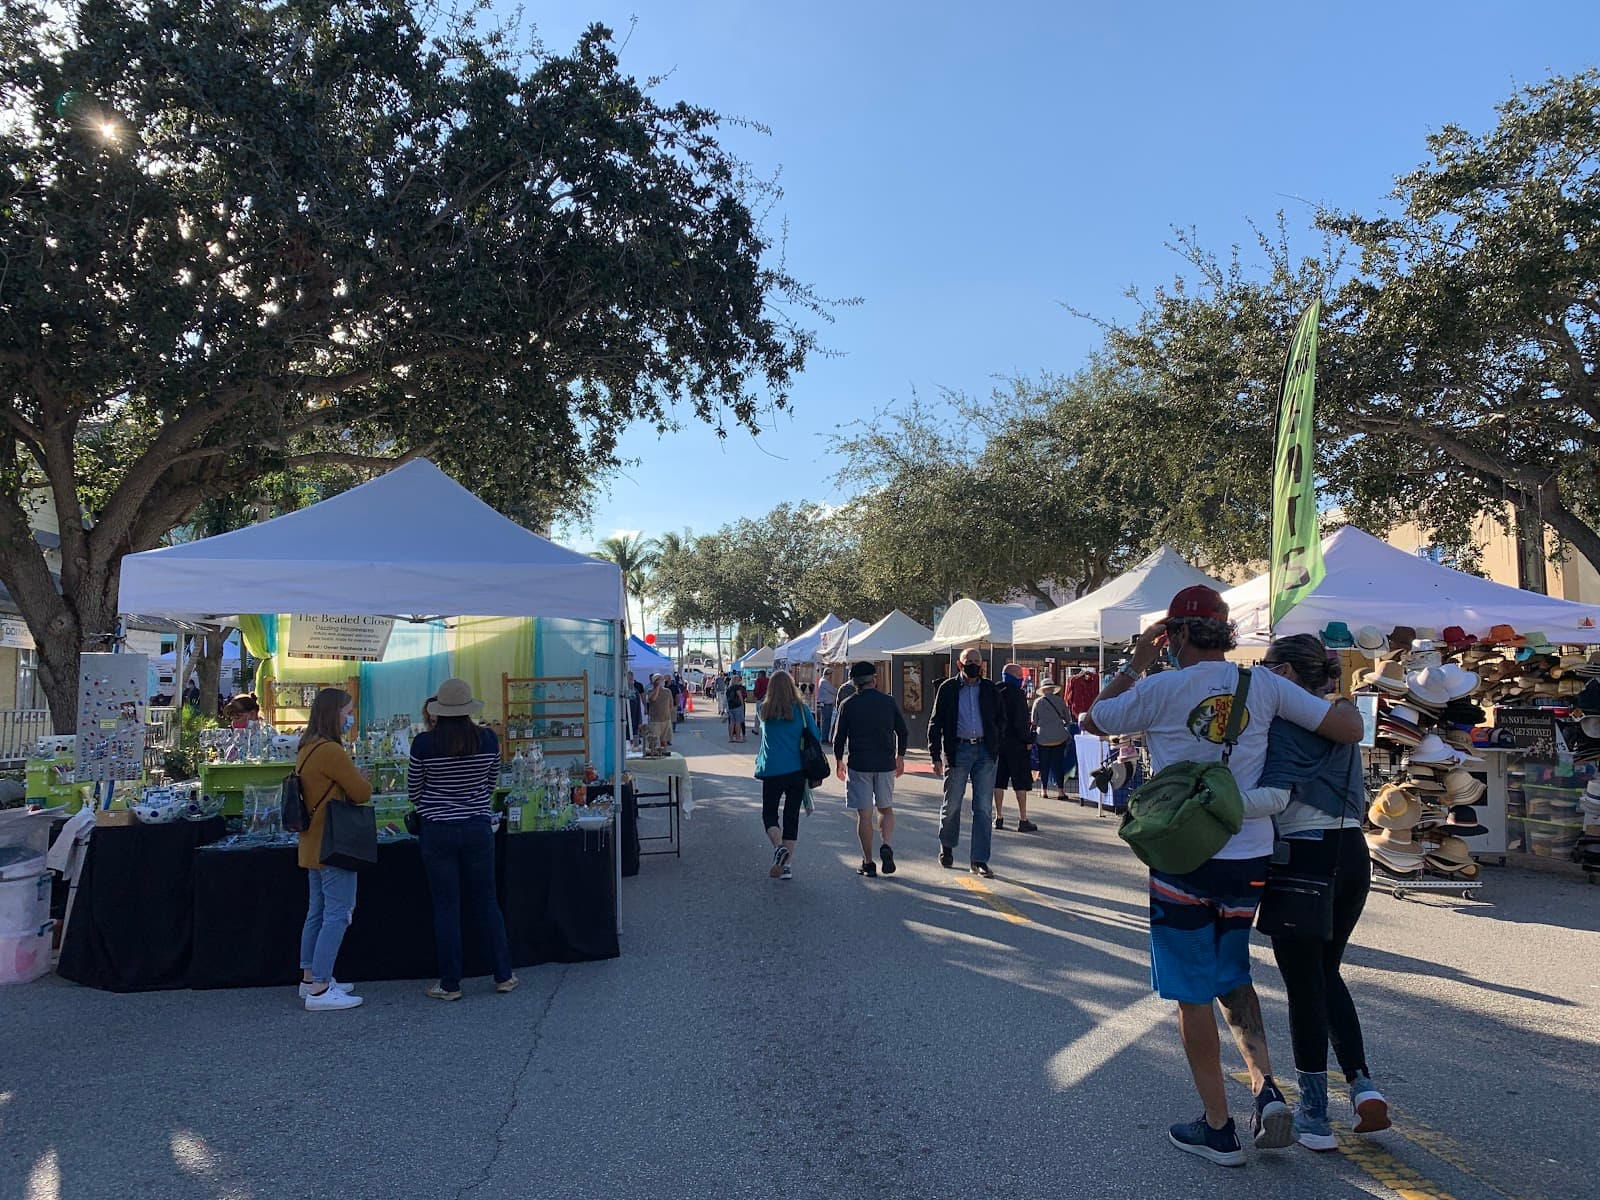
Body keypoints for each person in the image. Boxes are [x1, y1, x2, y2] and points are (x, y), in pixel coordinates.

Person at [1085, 586, 1363, 1167]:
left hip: (1183, 853)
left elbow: (1095, 719)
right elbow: (1346, 729)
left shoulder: (1159, 687)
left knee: (1190, 992)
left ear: (1176, 635)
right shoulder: (1262, 685)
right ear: (1225, 633)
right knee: (1232, 972)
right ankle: (1266, 1090)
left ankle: (1218, 1129)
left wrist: (1137, 662)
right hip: (1250, 853)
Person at [1255, 634, 1389, 1150]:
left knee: (1303, 984)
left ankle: (1314, 1111)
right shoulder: (1342, 713)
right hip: (1352, 851)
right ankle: (1361, 1083)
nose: (1261, 675)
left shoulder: (1287, 725)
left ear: (1286, 673)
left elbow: (1274, 795)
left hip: (1303, 855)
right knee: (1326, 972)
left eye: (1267, 667)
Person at [410, 678, 517, 1001]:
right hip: (476, 826)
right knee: (486, 902)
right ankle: (503, 974)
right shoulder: (486, 739)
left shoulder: (424, 744)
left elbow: (414, 790)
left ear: (438, 711)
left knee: (446, 907)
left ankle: (451, 983)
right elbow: (489, 785)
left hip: (437, 830)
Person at [295, 687, 372, 1012]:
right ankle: (321, 987)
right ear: (334, 713)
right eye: (347, 711)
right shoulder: (332, 751)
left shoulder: (307, 746)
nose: (349, 717)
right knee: (338, 914)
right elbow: (361, 792)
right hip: (334, 843)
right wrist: (361, 779)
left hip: (312, 842)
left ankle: (310, 977)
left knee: (317, 912)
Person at [927, 647, 1002, 876]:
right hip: (958, 750)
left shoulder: (990, 688)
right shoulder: (948, 688)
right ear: (959, 664)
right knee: (952, 804)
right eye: (968, 660)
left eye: (976, 661)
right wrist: (935, 755)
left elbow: (1001, 718)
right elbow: (935, 722)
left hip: (984, 752)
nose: (973, 664)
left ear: (982, 664)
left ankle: (979, 859)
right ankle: (947, 846)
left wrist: (995, 743)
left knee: (983, 808)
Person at [832, 661, 908, 877]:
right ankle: (887, 844)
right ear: (874, 680)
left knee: (864, 815)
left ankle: (868, 862)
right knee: (885, 808)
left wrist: (839, 761)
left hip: (859, 764)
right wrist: (900, 756)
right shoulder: (888, 702)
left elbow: (839, 738)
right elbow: (902, 731)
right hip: (885, 764)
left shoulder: (848, 704)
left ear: (854, 682)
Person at [753, 670, 823, 880]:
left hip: (771, 769)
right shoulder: (802, 710)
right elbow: (816, 736)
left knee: (770, 814)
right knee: (791, 816)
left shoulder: (763, 709)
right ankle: (787, 865)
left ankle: (778, 847)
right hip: (796, 770)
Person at [992, 662, 1037, 832]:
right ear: (1014, 677)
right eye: (1020, 676)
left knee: (998, 781)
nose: (1022, 680)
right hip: (1016, 744)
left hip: (998, 744)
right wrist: (1028, 739)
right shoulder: (1018, 695)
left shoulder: (994, 692)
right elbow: (1020, 721)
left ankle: (999, 817)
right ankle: (1023, 819)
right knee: (1020, 782)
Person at [1032, 678, 1076, 801]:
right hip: (1058, 737)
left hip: (1043, 738)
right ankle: (1061, 791)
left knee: (1044, 765)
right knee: (1058, 765)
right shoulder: (1060, 701)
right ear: (1052, 689)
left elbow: (1034, 721)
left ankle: (1044, 790)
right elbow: (1068, 719)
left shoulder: (1037, 702)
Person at [647, 674, 674, 748]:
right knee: (653, 740)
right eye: (657, 680)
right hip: (655, 720)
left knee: (664, 740)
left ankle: (663, 753)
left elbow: (671, 704)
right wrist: (657, 688)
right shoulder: (650, 691)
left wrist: (668, 712)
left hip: (666, 719)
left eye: (661, 680)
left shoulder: (667, 691)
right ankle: (653, 753)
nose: (660, 682)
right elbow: (653, 699)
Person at [816, 671, 839, 740]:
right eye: (830, 675)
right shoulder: (824, 682)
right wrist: (837, 690)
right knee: (826, 722)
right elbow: (834, 691)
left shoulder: (822, 681)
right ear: (828, 675)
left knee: (825, 722)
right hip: (826, 705)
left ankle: (824, 738)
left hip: (826, 704)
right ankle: (824, 739)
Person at [726, 675, 750, 742]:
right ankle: (738, 738)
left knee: (732, 722)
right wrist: (742, 705)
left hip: (731, 707)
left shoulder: (729, 688)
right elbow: (740, 696)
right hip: (737, 706)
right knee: (738, 722)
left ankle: (731, 738)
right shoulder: (737, 687)